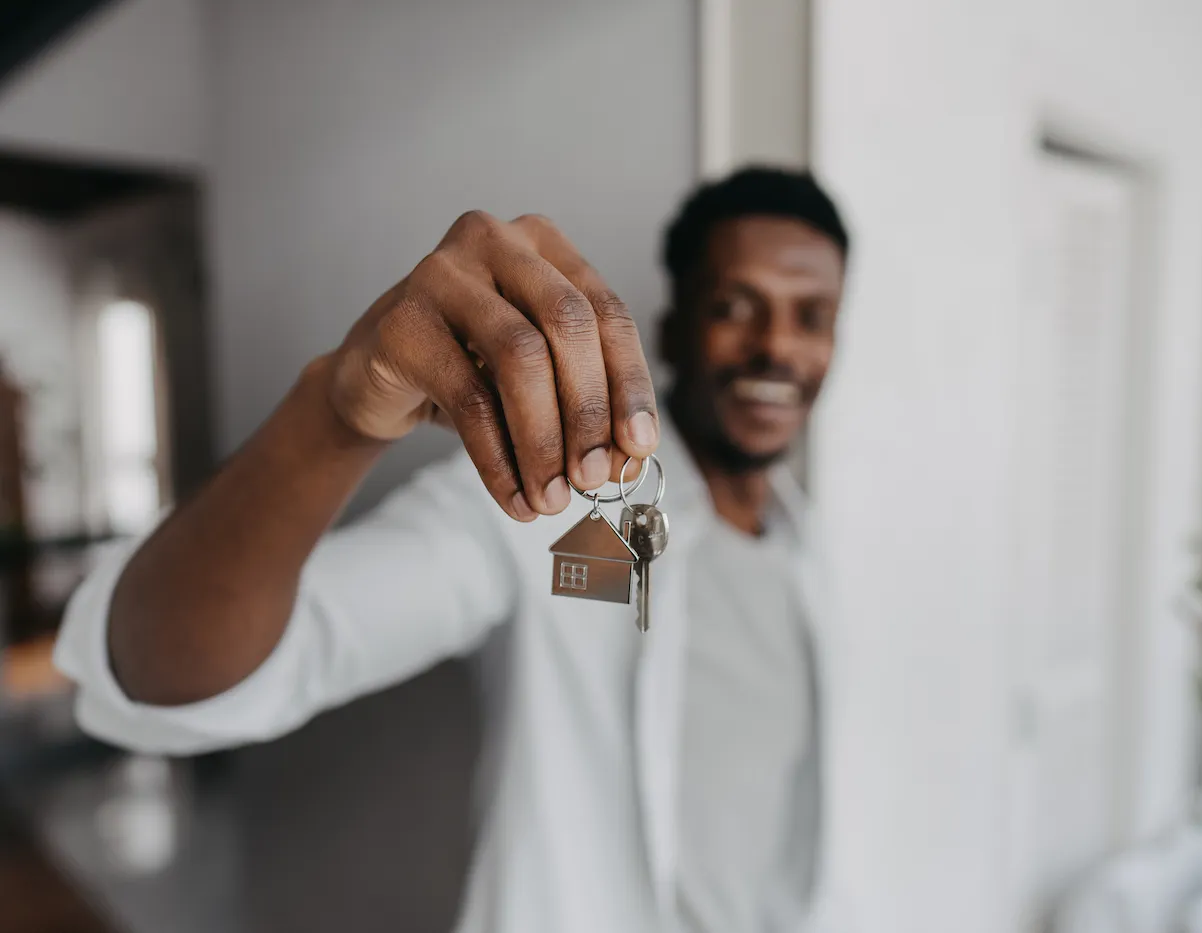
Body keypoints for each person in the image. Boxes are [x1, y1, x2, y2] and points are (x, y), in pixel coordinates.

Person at [55, 167, 853, 933]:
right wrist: (336, 413)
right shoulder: (561, 500)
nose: (776, 347)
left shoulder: (808, 548)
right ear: (675, 326)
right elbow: (164, 673)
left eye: (811, 316)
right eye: (736, 306)